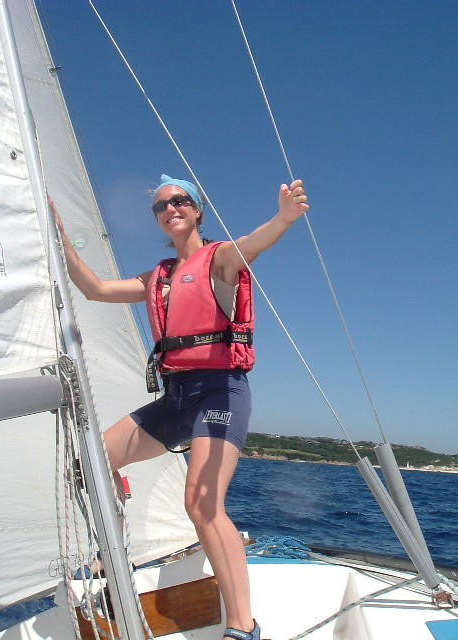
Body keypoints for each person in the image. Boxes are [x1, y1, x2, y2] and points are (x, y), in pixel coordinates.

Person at [51, 174, 309, 640]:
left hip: (219, 392)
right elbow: (95, 289)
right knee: (92, 461)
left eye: (180, 201)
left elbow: (254, 243)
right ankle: (113, 555)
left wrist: (285, 217)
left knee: (202, 502)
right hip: (176, 398)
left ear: (197, 210)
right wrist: (61, 239)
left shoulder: (221, 259)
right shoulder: (157, 277)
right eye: (161, 206)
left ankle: (243, 627)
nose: (170, 209)